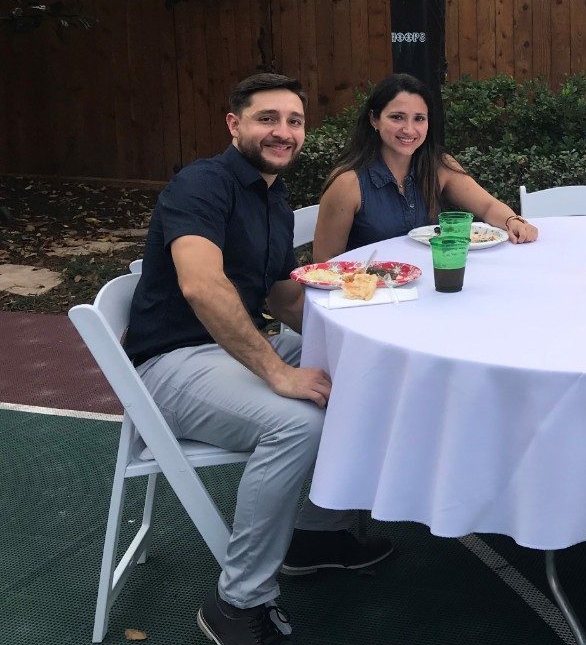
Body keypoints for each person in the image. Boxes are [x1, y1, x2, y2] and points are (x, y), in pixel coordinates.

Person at [125, 73, 392, 645]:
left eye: (293, 121)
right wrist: (279, 373)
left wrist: (364, 332)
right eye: (267, 118)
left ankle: (318, 536)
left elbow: (276, 293)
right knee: (298, 423)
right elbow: (202, 286)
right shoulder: (201, 185)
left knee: (364, 375)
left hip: (228, 346)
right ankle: (237, 602)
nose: (283, 132)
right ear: (234, 124)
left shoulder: (272, 194)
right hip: (169, 363)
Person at [312, 73, 537, 261]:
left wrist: (513, 221)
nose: (409, 130)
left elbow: (487, 206)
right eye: (397, 117)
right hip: (371, 297)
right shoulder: (348, 184)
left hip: (430, 286)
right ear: (374, 119)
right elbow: (325, 266)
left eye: (419, 118)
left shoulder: (439, 165)